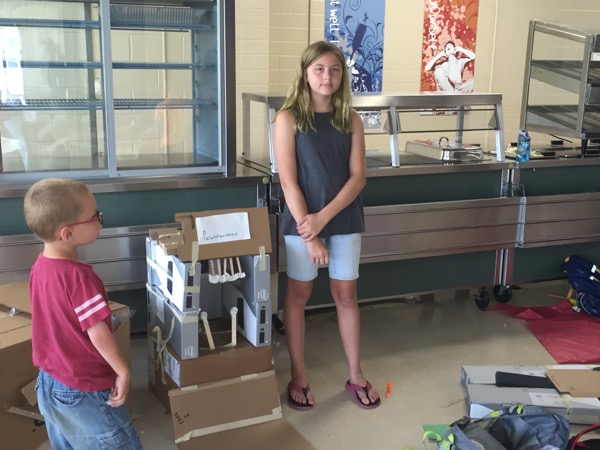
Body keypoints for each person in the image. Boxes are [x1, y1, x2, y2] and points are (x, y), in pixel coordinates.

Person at [273, 41, 380, 411]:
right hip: (302, 224)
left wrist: (323, 219)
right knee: (299, 296)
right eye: (319, 69)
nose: (327, 77)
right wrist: (311, 232)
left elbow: (358, 178)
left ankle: (356, 375)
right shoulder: (288, 118)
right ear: (305, 73)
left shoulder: (350, 119)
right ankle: (298, 375)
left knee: (346, 296)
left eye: (335, 70)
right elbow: (289, 183)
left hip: (343, 220)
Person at [23, 178, 143, 449]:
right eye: (95, 216)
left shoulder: (40, 267)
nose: (100, 221)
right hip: (84, 388)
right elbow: (97, 332)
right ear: (67, 234)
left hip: (49, 382)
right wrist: (122, 370)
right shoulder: (80, 279)